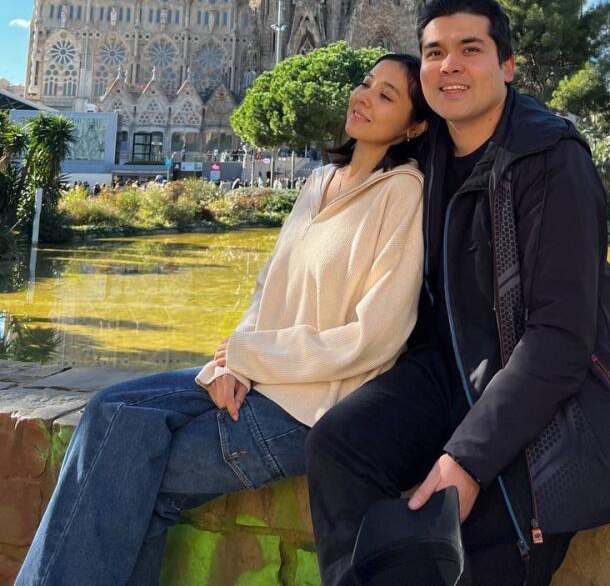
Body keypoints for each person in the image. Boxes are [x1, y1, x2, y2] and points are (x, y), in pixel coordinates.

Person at [18, 53, 430, 586]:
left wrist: (250, 356)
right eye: (366, 83)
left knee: (125, 481)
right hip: (258, 379)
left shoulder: (403, 192)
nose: (365, 96)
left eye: (387, 95)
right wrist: (230, 361)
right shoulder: (320, 180)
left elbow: (377, 337)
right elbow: (268, 288)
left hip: (310, 408)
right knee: (109, 408)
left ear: (415, 125)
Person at [306, 0, 610, 586]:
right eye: (435, 53)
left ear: (507, 66)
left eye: (470, 49)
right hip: (449, 371)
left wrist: (467, 457)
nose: (450, 66)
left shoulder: (551, 158)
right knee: (338, 444)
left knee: (489, 541)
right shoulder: (430, 150)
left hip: (544, 393)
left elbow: (559, 338)